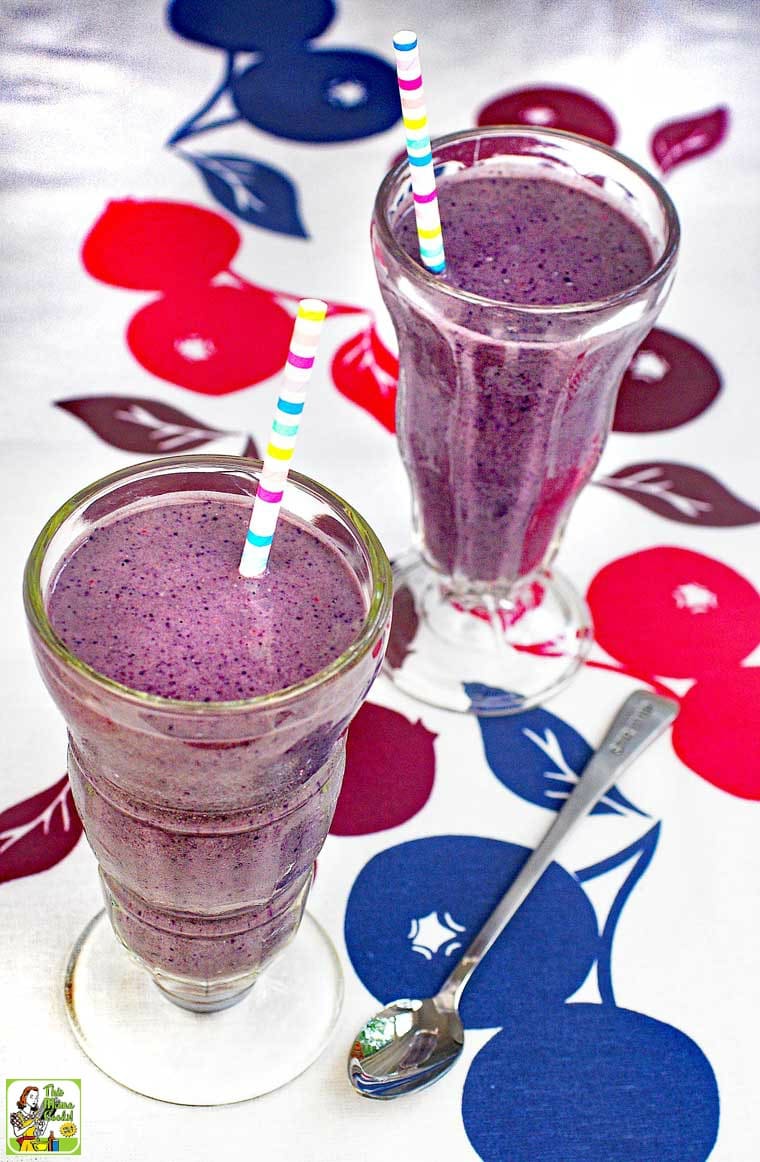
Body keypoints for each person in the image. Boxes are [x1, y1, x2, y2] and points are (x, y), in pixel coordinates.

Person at [9, 1086, 52, 1153]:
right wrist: (29, 1125)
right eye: (32, 1097)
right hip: (25, 1146)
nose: (35, 1100)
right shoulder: (17, 1116)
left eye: (36, 1098)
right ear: (25, 1097)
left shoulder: (36, 1115)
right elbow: (17, 1134)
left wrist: (46, 1121)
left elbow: (40, 1133)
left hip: (36, 1145)